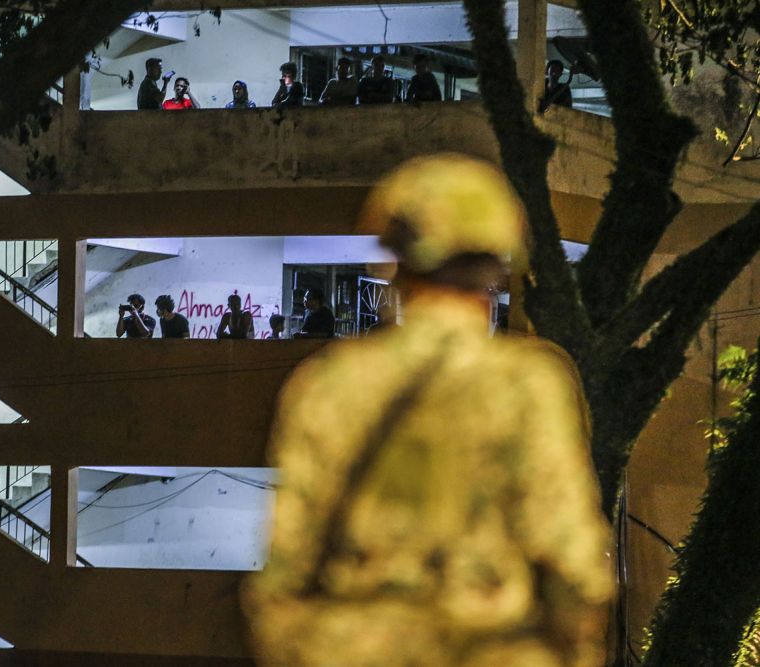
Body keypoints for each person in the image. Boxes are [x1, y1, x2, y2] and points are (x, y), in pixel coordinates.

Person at [245, 154, 613, 667]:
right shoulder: (529, 383)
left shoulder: (327, 382)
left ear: (394, 262)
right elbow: (572, 562)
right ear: (499, 266)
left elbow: (286, 564)